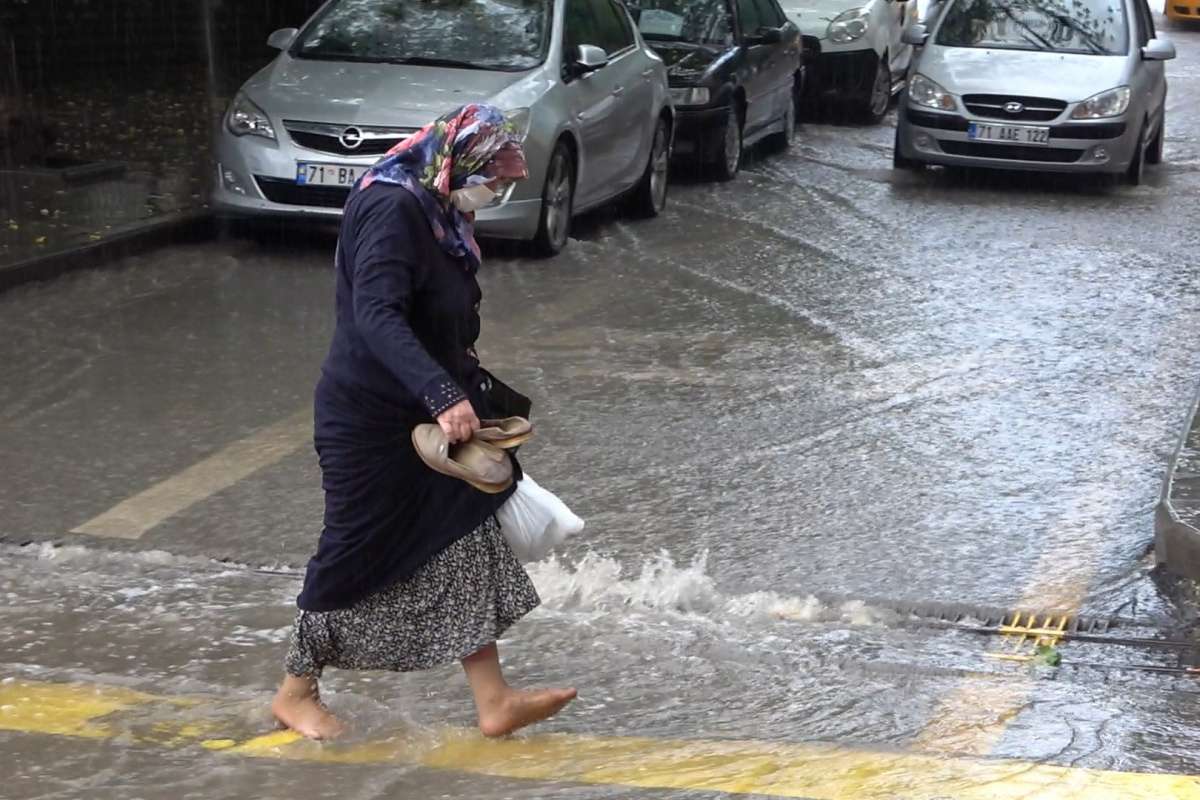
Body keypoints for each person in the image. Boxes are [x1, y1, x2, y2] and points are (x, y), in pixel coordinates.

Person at [271, 104, 576, 740]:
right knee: (352, 550)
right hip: (370, 419)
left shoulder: (438, 209)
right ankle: (296, 692)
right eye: (491, 175)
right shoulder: (394, 208)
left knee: (463, 533)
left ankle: (495, 702)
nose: (494, 190)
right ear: (455, 157)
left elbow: (443, 315)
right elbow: (377, 314)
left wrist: (464, 394)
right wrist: (442, 394)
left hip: (426, 414)